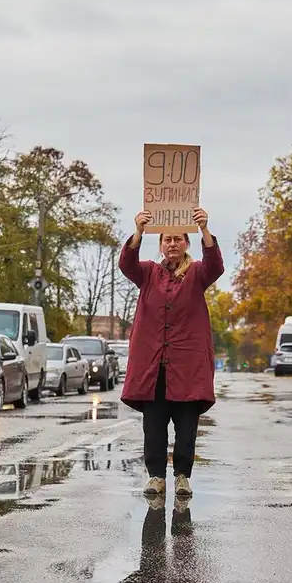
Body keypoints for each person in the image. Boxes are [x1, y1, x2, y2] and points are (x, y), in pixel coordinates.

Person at [119, 207, 224, 497]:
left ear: (186, 243)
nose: (173, 244)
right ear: (161, 244)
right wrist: (138, 231)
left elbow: (216, 266)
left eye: (178, 239)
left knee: (186, 427)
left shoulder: (198, 272)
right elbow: (127, 265)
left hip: (187, 368)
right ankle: (155, 476)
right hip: (154, 370)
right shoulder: (148, 273)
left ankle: (181, 476)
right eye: (167, 240)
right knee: (153, 427)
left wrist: (204, 229)